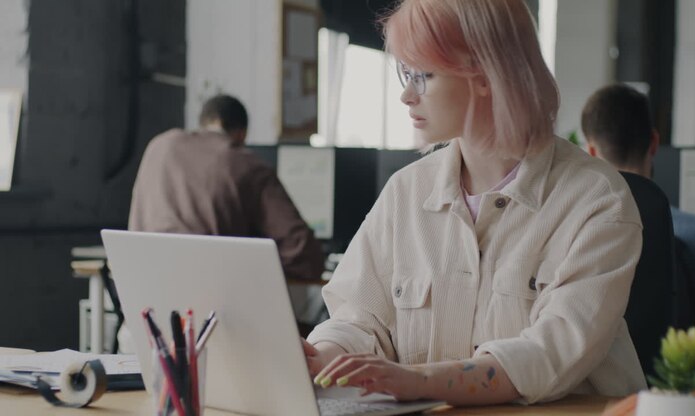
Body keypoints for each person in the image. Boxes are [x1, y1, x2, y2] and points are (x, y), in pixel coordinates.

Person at [303, 0, 646, 406]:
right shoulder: (406, 193)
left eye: (423, 75)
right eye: (405, 74)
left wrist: (419, 381)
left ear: (485, 74)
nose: (406, 95)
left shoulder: (595, 199)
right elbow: (358, 320)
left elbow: (549, 354)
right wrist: (319, 357)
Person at [582, 83, 695, 397]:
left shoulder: (578, 235)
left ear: (591, 151)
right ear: (654, 142)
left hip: (598, 392)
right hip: (681, 396)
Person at [128, 94, 325, 281]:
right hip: (213, 303)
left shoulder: (160, 146)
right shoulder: (243, 162)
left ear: (203, 123)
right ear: (242, 134)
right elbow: (302, 252)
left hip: (145, 301)